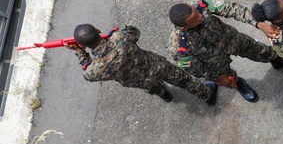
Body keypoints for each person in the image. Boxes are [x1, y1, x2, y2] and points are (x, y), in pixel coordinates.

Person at [168, 0, 283, 103]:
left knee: (259, 50)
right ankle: (239, 84)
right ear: (184, 27)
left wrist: (258, 23)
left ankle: (275, 59)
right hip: (215, 62)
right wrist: (216, 78)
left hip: (232, 40)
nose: (200, 16)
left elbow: (231, 9)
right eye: (195, 20)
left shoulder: (200, 5)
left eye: (197, 13)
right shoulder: (179, 47)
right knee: (228, 79)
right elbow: (195, 68)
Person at [70, 24, 218, 105]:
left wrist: (79, 52)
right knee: (184, 80)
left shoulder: (97, 68)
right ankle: (207, 95)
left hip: (138, 81)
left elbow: (87, 72)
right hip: (157, 66)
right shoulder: (120, 37)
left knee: (151, 87)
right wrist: (112, 34)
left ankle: (165, 95)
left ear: (83, 45)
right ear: (97, 30)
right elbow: (135, 32)